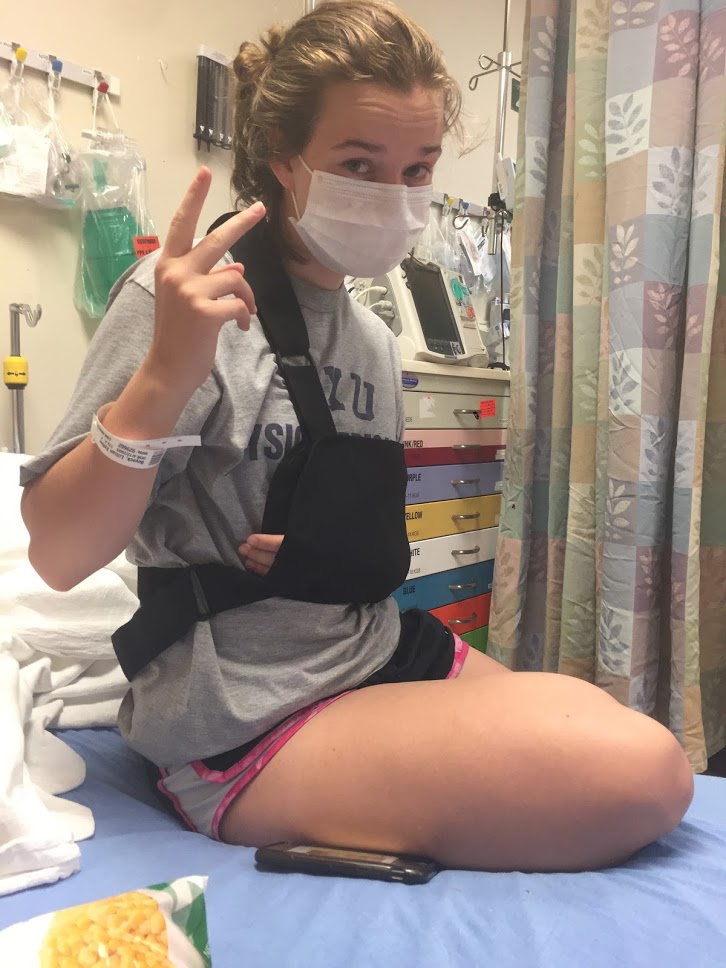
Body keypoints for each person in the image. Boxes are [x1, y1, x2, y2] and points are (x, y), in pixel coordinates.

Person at [20, 0, 693, 872]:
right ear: (281, 156)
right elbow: (58, 554)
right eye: (357, 164)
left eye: (417, 169)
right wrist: (163, 379)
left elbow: (350, 538)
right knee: (645, 774)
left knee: (605, 722)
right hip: (247, 706)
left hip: (371, 647)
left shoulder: (369, 337)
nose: (393, 195)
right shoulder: (181, 300)